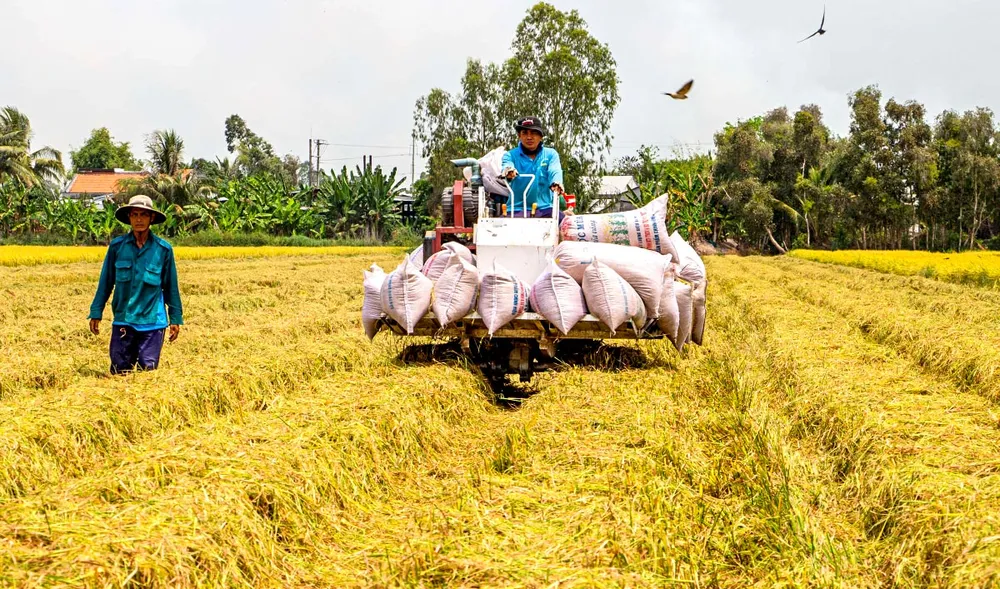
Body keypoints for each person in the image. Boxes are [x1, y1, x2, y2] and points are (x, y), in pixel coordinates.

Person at [88, 195, 183, 374]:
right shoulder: (117, 247)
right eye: (135, 214)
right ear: (129, 218)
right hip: (124, 318)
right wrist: (96, 311)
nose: (139, 219)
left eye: (144, 215)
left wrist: (175, 318)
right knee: (119, 371)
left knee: (148, 372)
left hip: (152, 322)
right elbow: (106, 282)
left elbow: (171, 287)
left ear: (151, 218)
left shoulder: (163, 250)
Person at [500, 116, 573, 220]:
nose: (529, 137)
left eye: (533, 133)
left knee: (567, 224)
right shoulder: (510, 155)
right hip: (516, 209)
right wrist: (508, 171)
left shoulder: (551, 154)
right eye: (525, 133)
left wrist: (556, 183)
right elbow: (507, 165)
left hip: (545, 209)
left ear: (541, 136)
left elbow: (555, 171)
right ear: (519, 135)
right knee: (498, 227)